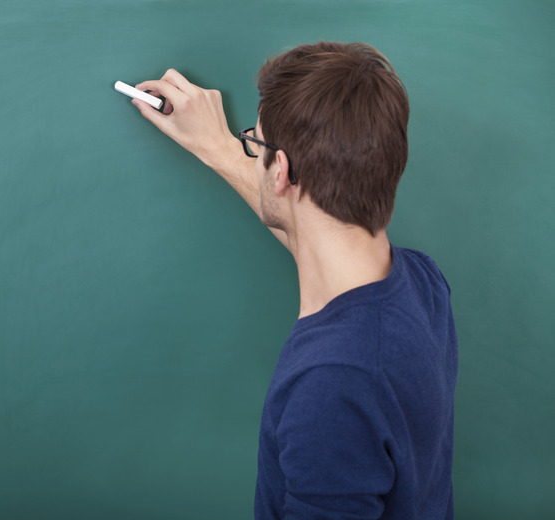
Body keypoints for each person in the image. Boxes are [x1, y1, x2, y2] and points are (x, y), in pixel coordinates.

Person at [130, 41, 459, 519]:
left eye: (256, 143)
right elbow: (319, 237)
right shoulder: (424, 286)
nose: (253, 150)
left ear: (280, 170)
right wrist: (220, 146)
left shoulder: (331, 387)